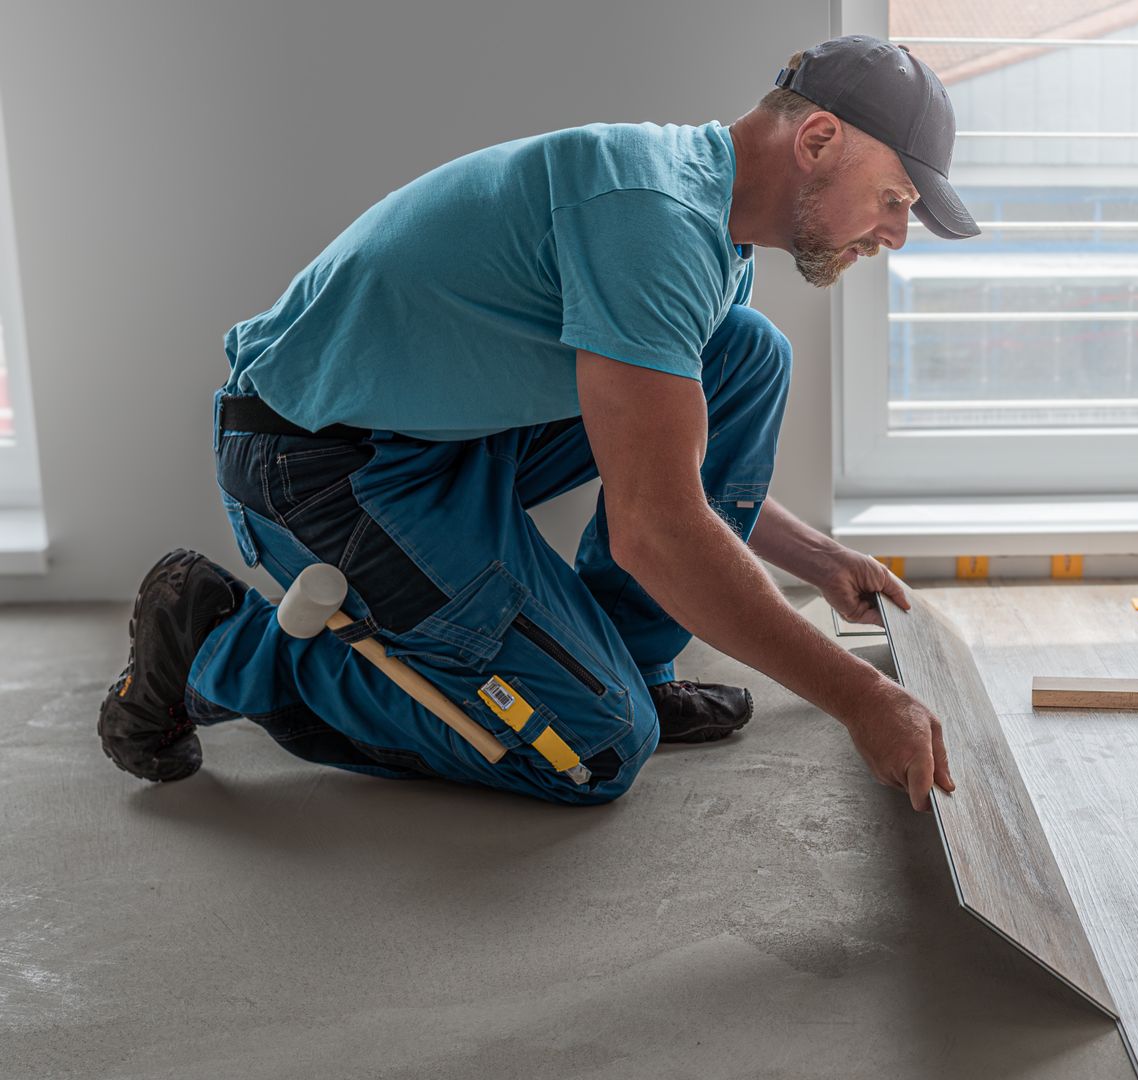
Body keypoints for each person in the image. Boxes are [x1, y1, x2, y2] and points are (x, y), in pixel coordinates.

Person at [97, 35, 978, 810]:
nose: (895, 234)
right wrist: (864, 698)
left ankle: (630, 661)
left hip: (439, 435)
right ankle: (217, 643)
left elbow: (659, 455)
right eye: (896, 199)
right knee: (590, 750)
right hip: (321, 467)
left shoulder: (704, 223)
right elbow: (658, 527)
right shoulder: (656, 225)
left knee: (742, 353)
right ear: (819, 139)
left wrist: (819, 560)